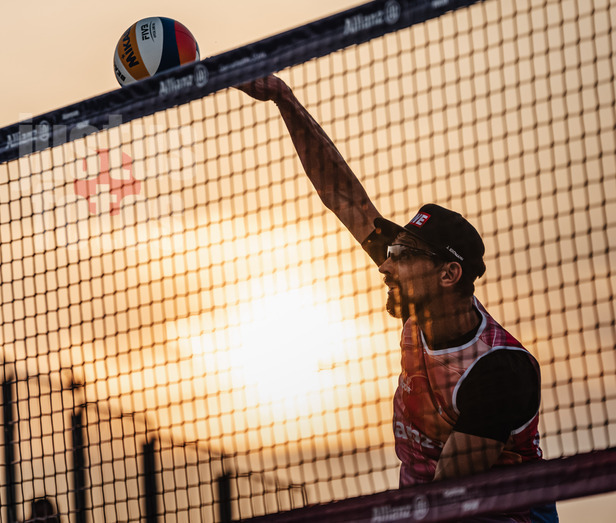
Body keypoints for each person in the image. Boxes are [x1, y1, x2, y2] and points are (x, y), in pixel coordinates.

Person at [237, 74, 559, 522]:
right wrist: (282, 99)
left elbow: (445, 497)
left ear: (449, 274)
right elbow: (342, 195)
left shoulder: (499, 370)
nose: (386, 265)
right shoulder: (419, 308)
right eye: (390, 253)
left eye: (403, 256)